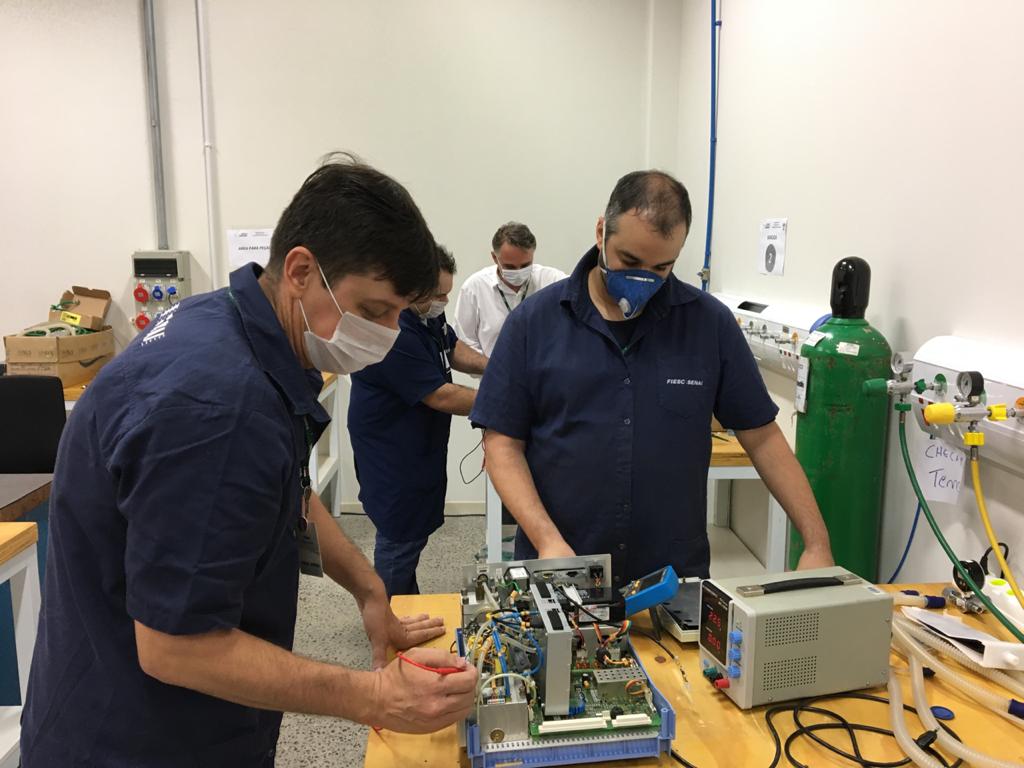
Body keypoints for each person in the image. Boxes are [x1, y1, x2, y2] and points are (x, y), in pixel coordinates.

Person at [21, 157, 478, 767]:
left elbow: (289, 487)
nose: (389, 334)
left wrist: (370, 590)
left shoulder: (231, 323)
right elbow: (177, 646)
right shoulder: (218, 407)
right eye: (373, 312)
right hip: (137, 741)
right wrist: (374, 696)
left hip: (172, 715)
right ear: (301, 272)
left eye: (400, 315)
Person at [470, 170, 834, 588]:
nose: (643, 277)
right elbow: (501, 444)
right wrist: (547, 540)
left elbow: (763, 437)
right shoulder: (534, 323)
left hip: (672, 580)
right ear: (601, 232)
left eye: (661, 266)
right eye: (629, 261)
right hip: (563, 570)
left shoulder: (709, 325)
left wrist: (816, 542)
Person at [348, 245, 488, 597]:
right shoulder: (392, 331)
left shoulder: (425, 314)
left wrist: (497, 367)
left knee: (413, 531)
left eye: (446, 294)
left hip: (418, 442)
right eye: (437, 295)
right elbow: (440, 396)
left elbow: (451, 347)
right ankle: (388, 611)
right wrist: (505, 400)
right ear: (410, 288)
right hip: (391, 450)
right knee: (399, 537)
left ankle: (405, 601)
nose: (443, 301)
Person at [453, 221, 566, 358]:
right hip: (492, 369)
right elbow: (464, 343)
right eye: (510, 267)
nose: (518, 272)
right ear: (495, 258)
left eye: (525, 265)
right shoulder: (474, 289)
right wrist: (494, 366)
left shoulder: (554, 281)